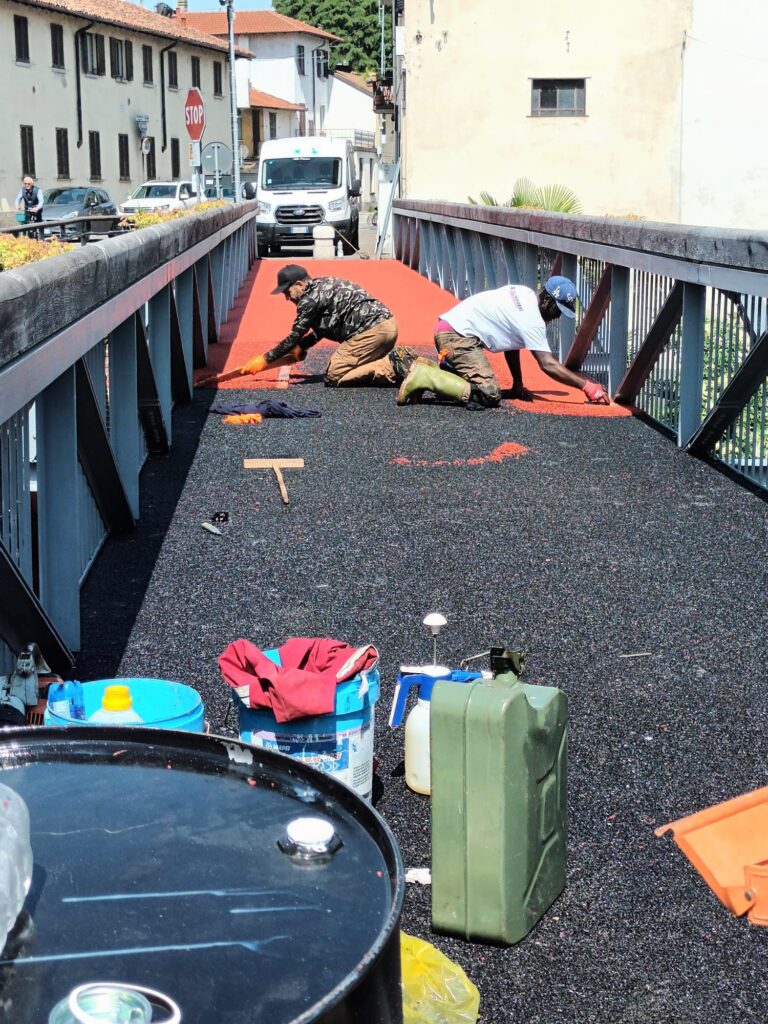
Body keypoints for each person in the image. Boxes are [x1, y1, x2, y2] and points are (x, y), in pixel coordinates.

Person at [396, 276, 610, 407]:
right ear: (546, 299)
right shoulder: (532, 319)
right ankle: (426, 375)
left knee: (478, 385)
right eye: (558, 309)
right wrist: (587, 386)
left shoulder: (524, 293)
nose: (558, 316)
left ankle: (439, 368)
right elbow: (548, 365)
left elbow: (512, 346)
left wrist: (518, 385)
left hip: (450, 331)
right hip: (456, 338)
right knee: (489, 393)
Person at [240, 265, 418, 387]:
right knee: (352, 367)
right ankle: (397, 361)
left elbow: (294, 335)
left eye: (288, 292)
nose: (287, 298)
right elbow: (323, 328)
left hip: (371, 333)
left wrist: (265, 359)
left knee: (334, 375)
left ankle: (392, 366)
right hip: (388, 326)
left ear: (300, 285)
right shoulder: (323, 284)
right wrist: (303, 346)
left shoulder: (308, 300)